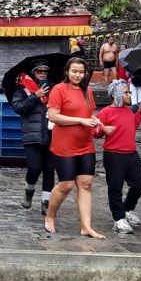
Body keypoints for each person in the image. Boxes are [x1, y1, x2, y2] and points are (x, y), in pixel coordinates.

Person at [44, 57, 104, 238]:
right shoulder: (59, 89)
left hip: (85, 144)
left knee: (86, 184)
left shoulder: (88, 91)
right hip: (64, 145)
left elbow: (88, 113)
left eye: (81, 72)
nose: (78, 75)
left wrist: (94, 119)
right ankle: (50, 215)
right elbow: (53, 116)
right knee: (67, 184)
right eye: (74, 71)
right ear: (67, 72)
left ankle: (86, 227)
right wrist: (80, 120)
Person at [93, 80, 141, 234]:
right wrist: (103, 129)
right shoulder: (106, 112)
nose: (129, 95)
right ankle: (119, 218)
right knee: (115, 187)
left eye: (129, 92)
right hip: (114, 155)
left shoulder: (129, 111)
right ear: (115, 94)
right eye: (126, 93)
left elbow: (133, 126)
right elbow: (94, 132)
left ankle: (127, 208)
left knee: (140, 183)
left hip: (131, 153)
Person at [10, 59, 55, 214]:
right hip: (32, 135)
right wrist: (35, 96)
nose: (43, 74)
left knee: (49, 170)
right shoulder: (23, 90)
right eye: (39, 71)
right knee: (35, 167)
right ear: (33, 73)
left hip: (51, 134)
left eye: (45, 71)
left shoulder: (53, 88)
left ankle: (46, 203)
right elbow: (18, 108)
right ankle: (29, 191)